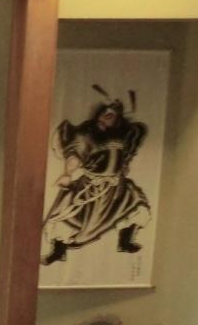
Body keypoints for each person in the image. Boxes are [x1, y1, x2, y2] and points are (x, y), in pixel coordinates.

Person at [41, 89, 151, 265]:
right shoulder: (86, 134)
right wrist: (67, 173)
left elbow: (126, 152)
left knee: (138, 206)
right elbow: (75, 155)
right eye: (104, 112)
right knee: (65, 217)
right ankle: (58, 252)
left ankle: (125, 242)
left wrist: (123, 165)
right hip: (91, 188)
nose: (107, 116)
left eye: (112, 114)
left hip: (117, 188)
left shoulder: (122, 134)